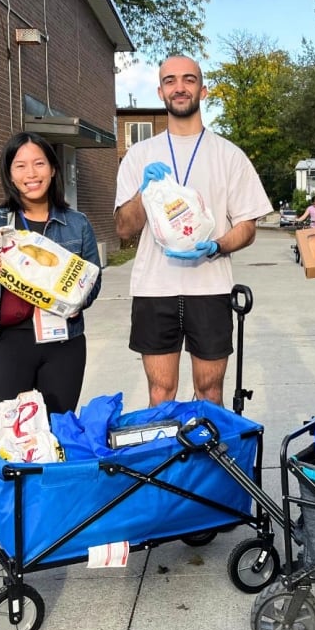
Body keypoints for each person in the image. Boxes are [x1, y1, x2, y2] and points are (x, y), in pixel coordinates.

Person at [0, 131, 102, 568]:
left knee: (52, 434)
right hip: (10, 344)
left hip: (63, 344)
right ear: (10, 173)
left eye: (38, 163)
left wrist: (73, 288)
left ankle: (43, 524)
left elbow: (92, 287)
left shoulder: (76, 224)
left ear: (53, 168)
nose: (30, 174)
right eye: (20, 166)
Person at [114, 55, 272, 407]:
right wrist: (143, 192)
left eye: (188, 79)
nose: (179, 87)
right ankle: (168, 464)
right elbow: (124, 228)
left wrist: (215, 247)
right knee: (161, 393)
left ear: (203, 89)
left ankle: (208, 464)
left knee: (210, 392)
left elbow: (248, 226)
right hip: (154, 288)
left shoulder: (229, 155)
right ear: (160, 91)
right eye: (170, 81)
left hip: (210, 288)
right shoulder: (139, 155)